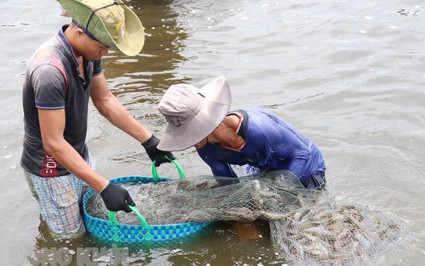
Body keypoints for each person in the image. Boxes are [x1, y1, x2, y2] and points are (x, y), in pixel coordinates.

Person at [21, 0, 174, 238]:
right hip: (50, 169)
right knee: (71, 240)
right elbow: (53, 143)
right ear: (80, 33)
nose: (107, 52)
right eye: (104, 46)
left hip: (78, 154)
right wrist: (104, 186)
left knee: (88, 223)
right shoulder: (49, 71)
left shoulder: (88, 53)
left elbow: (104, 100)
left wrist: (148, 139)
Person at [156, 76, 326, 190]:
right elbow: (228, 184)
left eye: (189, 133)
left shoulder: (260, 129)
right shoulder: (205, 147)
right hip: (265, 171)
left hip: (307, 167)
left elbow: (302, 154)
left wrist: (281, 190)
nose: (189, 141)